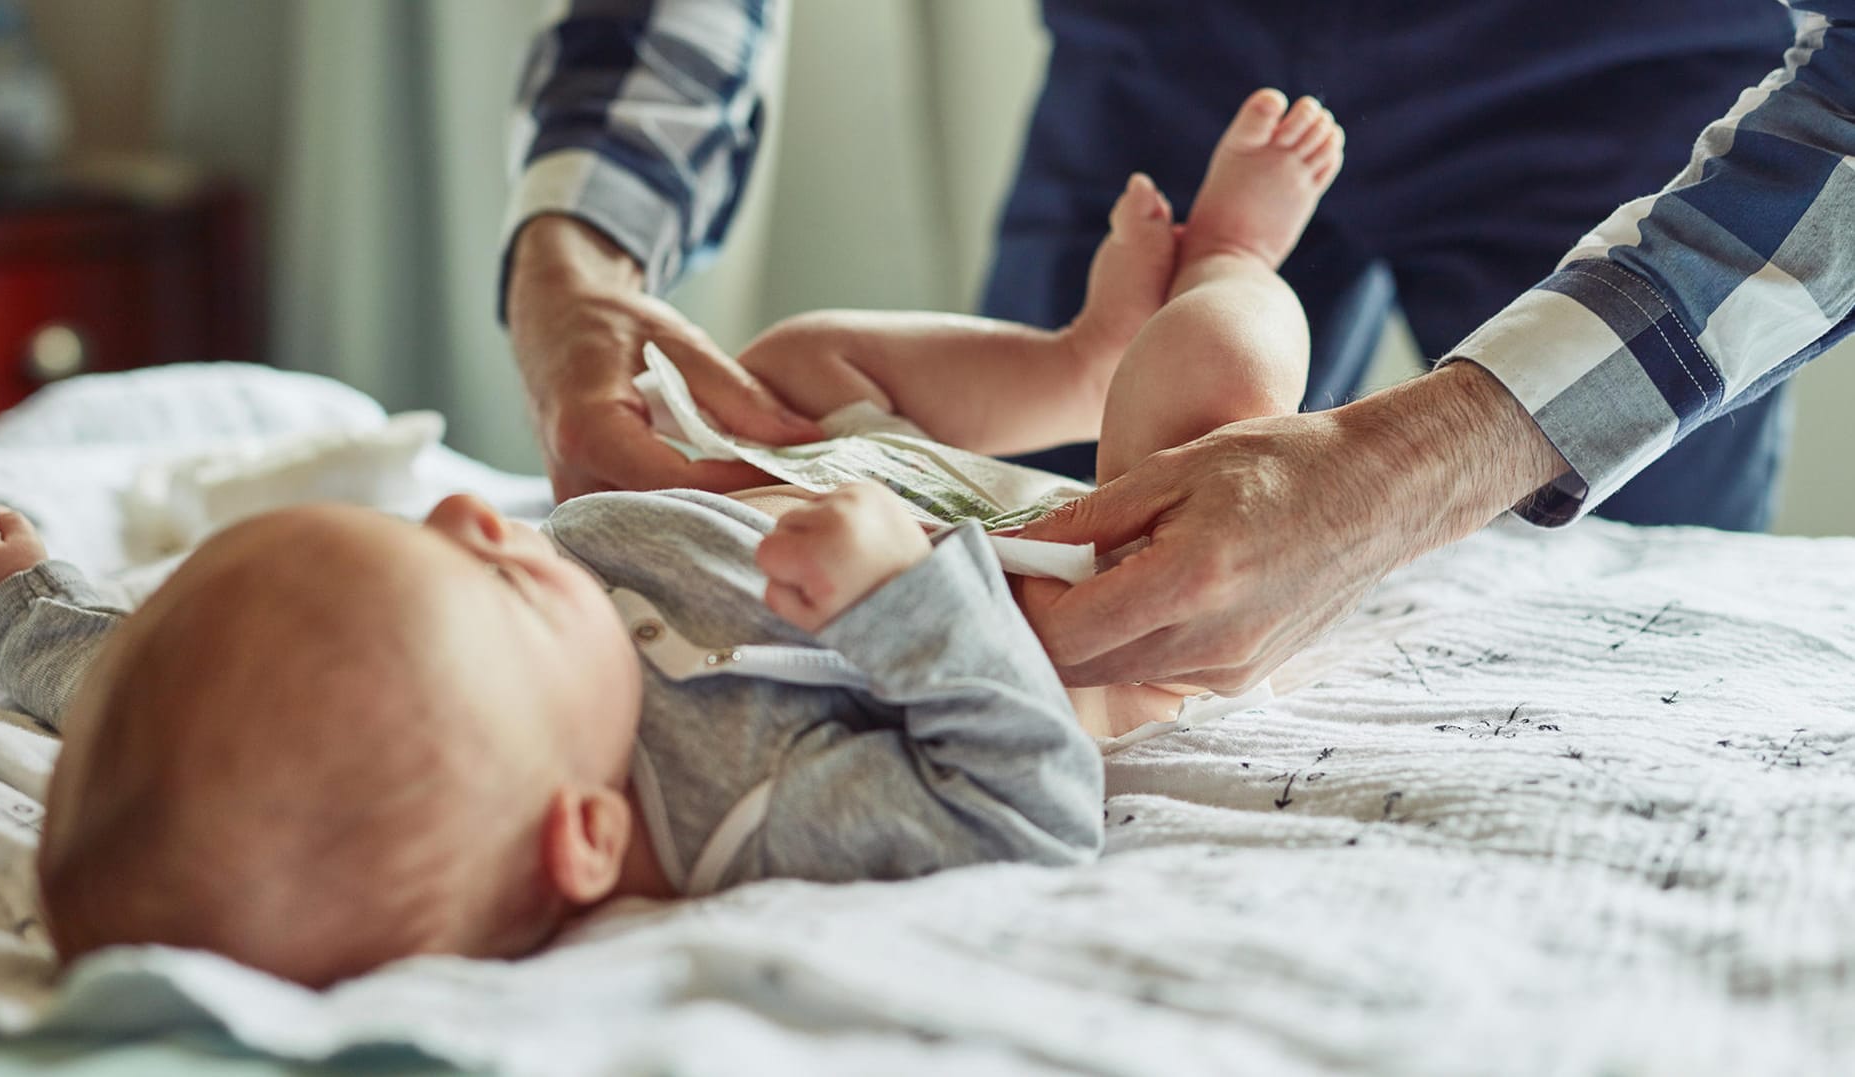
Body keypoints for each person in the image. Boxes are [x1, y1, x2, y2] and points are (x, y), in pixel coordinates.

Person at [0, 92, 1338, 987]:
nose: (469, 513)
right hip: (1070, 578)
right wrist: (910, 600)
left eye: (439, 541)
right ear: (587, 837)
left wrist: (11, 607)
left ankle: (1074, 352)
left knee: (793, 355)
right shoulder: (747, 808)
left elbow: (150, 689)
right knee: (1198, 393)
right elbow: (1022, 805)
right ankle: (1230, 274)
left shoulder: (377, 715)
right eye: (490, 578)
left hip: (809, 476)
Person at [502, 2, 1851, 691]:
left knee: (835, 367)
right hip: (1173, 38)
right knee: (1144, 551)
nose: (471, 529)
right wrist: (581, 245)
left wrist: (1425, 456)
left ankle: (1126, 330)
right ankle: (1211, 283)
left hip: (1626, 57)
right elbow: (1004, 758)